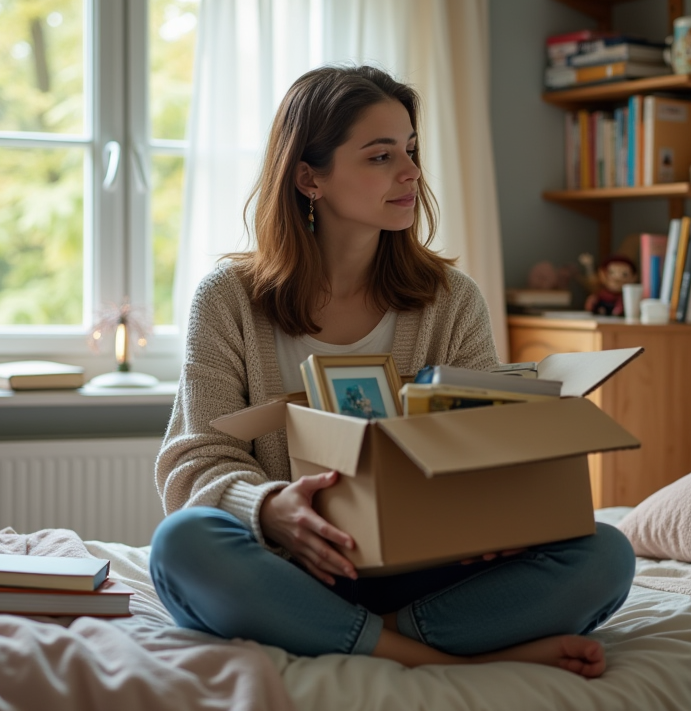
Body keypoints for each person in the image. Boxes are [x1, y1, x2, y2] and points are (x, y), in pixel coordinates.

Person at [149, 64, 635, 676]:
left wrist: (512, 507)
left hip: (430, 571)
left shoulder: (451, 299)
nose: (411, 173)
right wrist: (271, 508)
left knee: (606, 553)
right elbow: (194, 458)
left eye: (409, 150)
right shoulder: (227, 299)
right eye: (380, 156)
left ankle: (367, 638)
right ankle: (444, 655)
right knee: (181, 545)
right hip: (293, 565)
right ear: (308, 177)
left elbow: (491, 439)